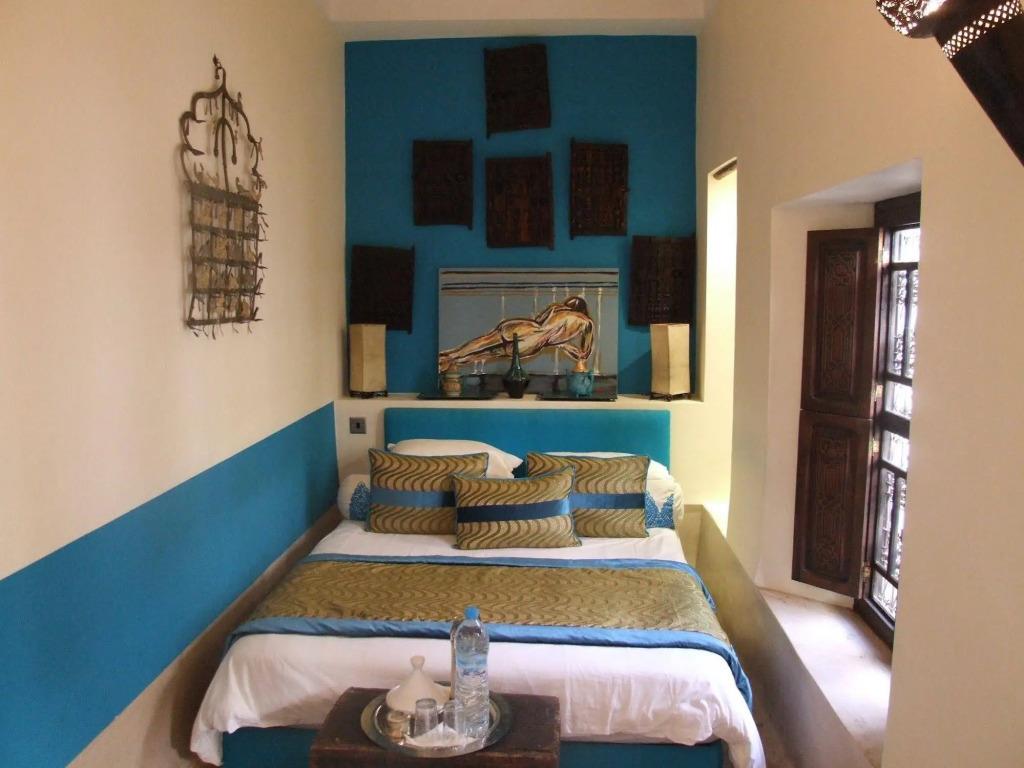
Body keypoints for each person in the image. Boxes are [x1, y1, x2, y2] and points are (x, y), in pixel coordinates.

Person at [438, 296, 594, 373]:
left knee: (483, 341)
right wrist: (563, 345)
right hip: (534, 343)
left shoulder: (556, 308)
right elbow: (584, 354)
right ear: (583, 310)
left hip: (523, 327)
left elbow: (539, 320)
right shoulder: (586, 322)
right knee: (488, 354)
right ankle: (453, 362)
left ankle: (450, 356)